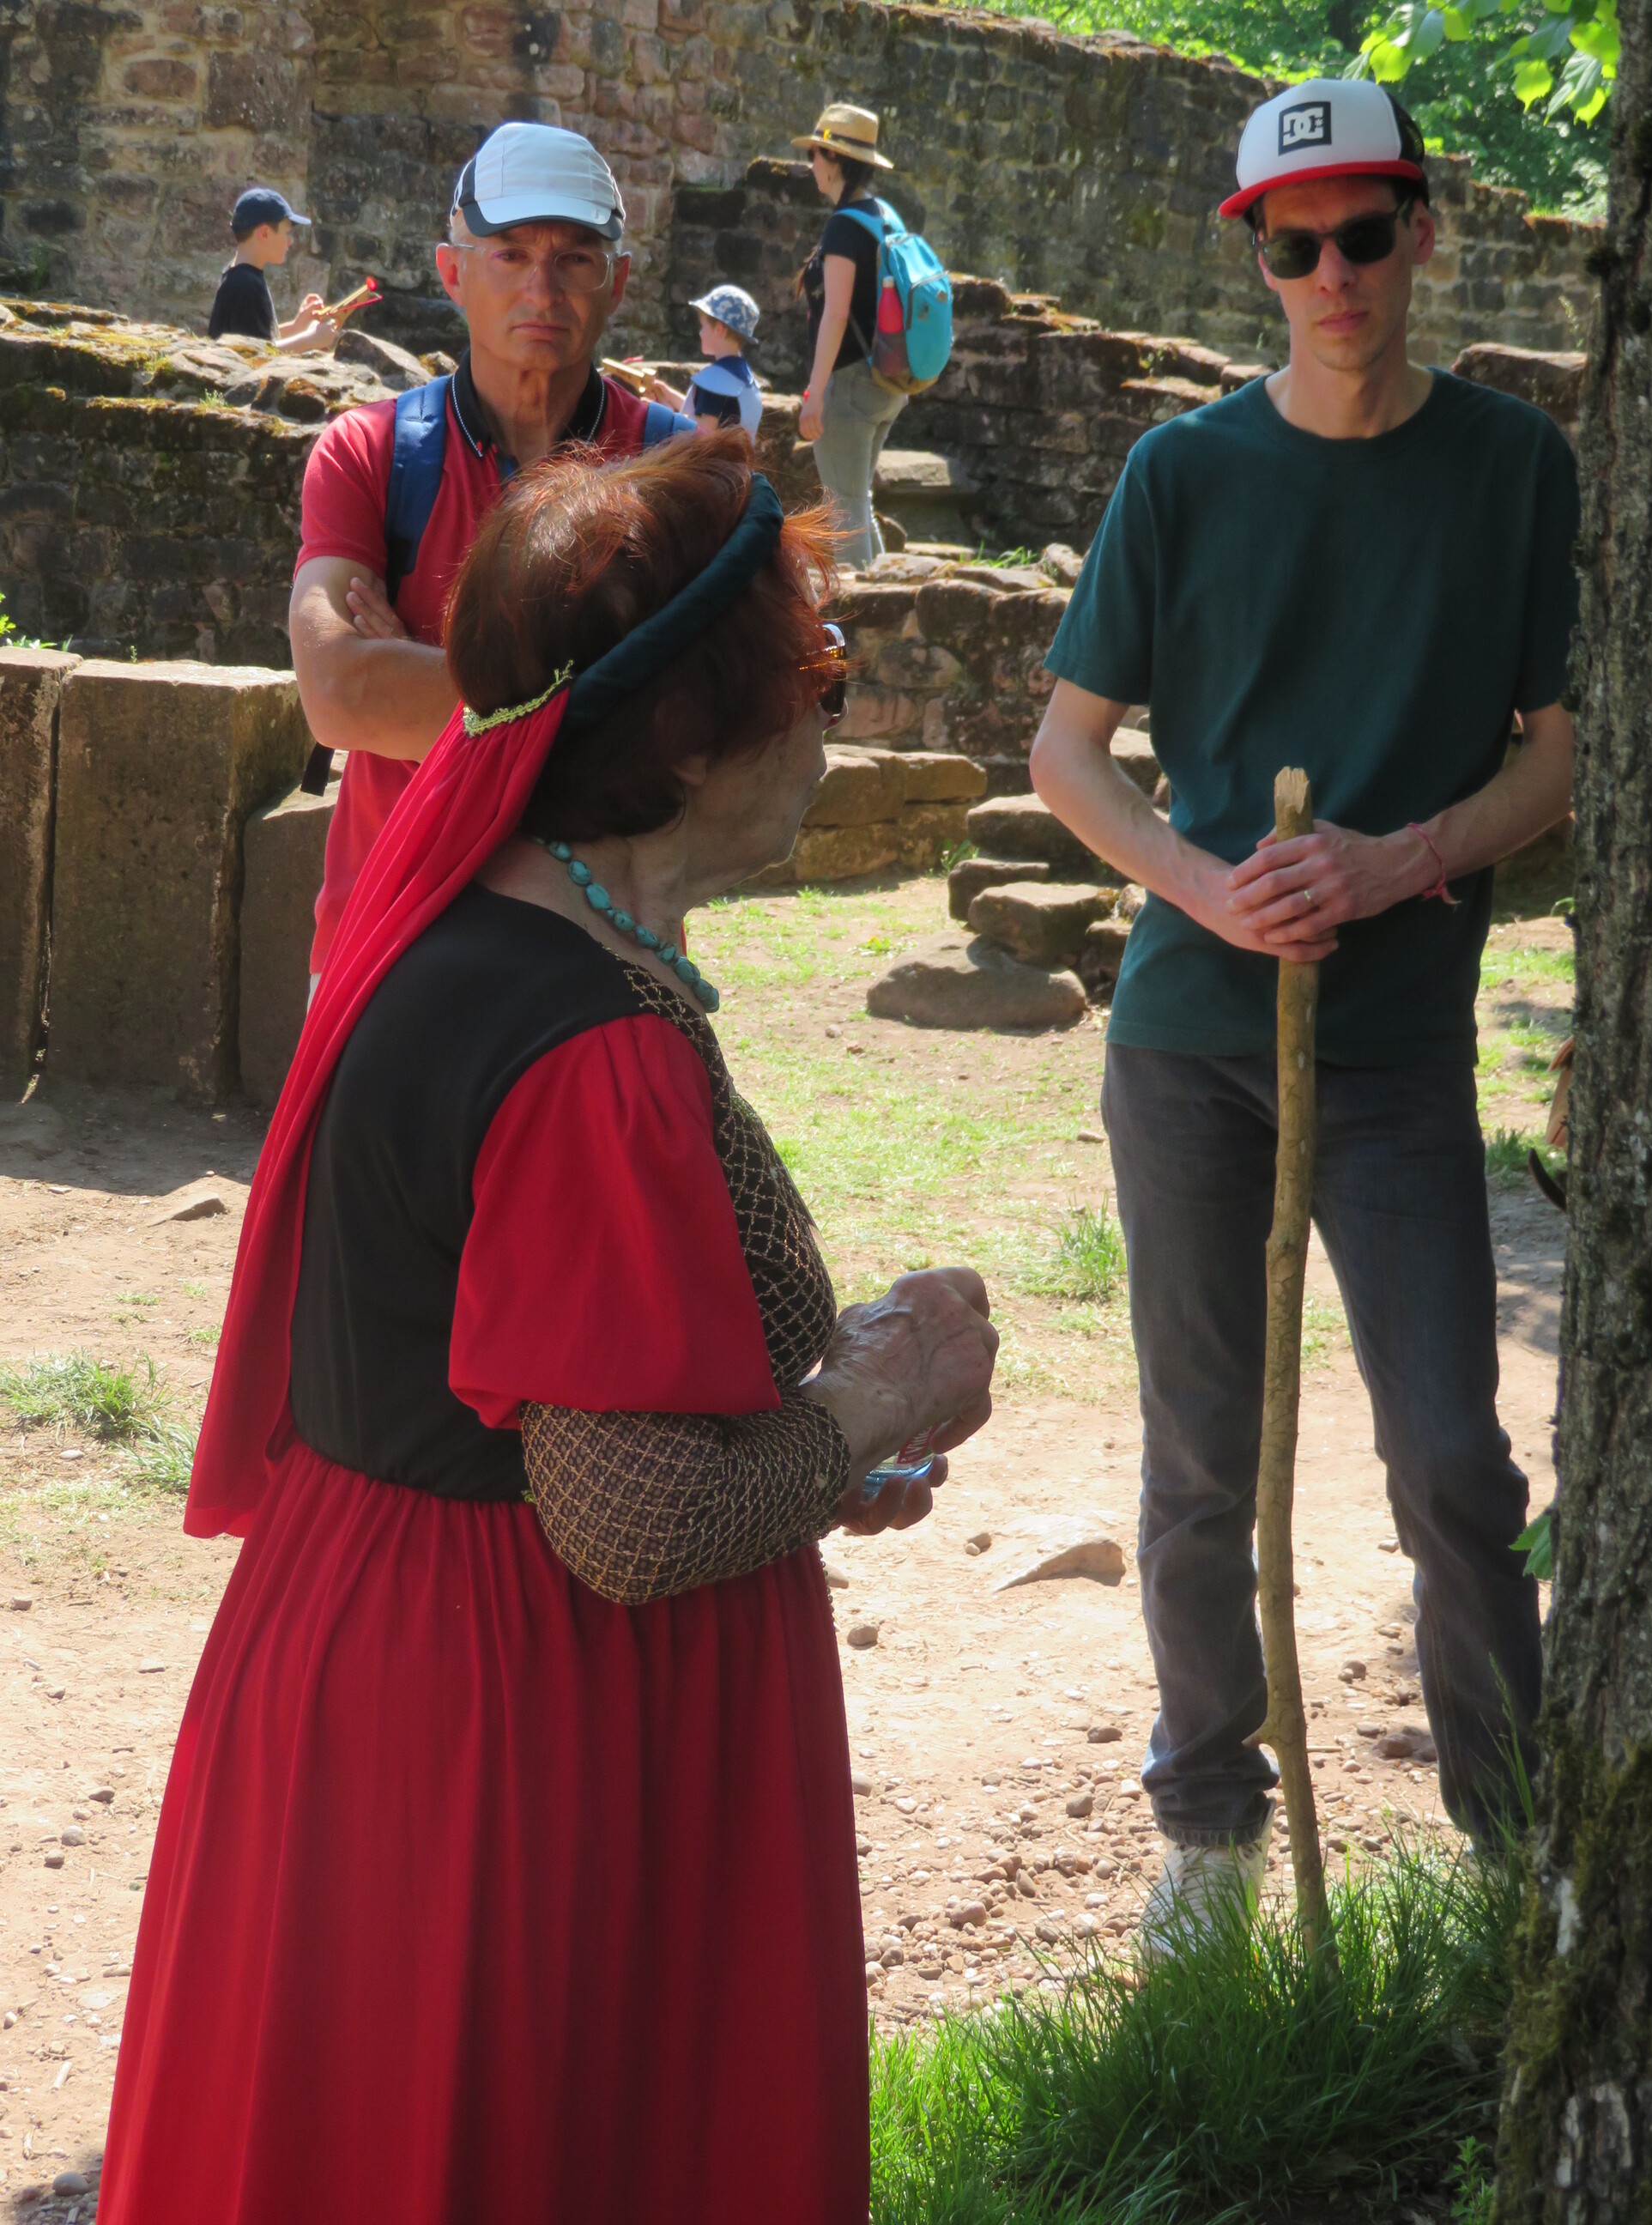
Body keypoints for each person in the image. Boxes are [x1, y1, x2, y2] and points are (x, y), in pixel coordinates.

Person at [97, 434, 1001, 2224]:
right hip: (503, 1731)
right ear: (687, 738)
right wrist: (872, 1401)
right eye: (817, 678)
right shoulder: (586, 1051)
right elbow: (630, 1520)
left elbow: (570, 1380)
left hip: (375, 1661)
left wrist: (797, 1437)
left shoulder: (472, 935)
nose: (834, 722)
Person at [1030, 80, 1578, 1946]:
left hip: (1398, 1048)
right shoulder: (1180, 472)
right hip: (1188, 1036)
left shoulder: (1512, 465)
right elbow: (1066, 752)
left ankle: (1511, 1850)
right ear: (1253, 261)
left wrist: (1404, 856)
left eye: (1361, 234)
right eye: (1293, 246)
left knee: (1450, 1460)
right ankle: (1208, 1832)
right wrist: (1208, 887)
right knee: (1200, 1457)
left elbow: (1556, 757)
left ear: (1420, 232)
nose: (1330, 274)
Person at [289, 121, 694, 982]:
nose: (542, 288)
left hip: (604, 959)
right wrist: (602, 695)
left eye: (575, 259)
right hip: (391, 942)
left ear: (618, 281)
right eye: (510, 254)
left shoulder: (676, 472)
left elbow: (700, 728)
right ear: (453, 272)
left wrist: (417, 675)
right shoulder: (371, 455)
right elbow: (336, 695)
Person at [793, 103, 908, 567]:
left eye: (815, 154)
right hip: (888, 381)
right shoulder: (885, 215)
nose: (810, 166)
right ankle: (889, 592)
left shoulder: (844, 226)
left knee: (843, 511)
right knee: (857, 501)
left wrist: (815, 392)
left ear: (835, 160)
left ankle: (859, 609)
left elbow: (836, 315)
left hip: (850, 386)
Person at [208, 188, 340, 353]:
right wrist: (311, 340)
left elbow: (256, 339)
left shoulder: (239, 275)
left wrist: (296, 326)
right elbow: (255, 355)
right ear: (264, 234)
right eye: (287, 233)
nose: (290, 242)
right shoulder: (245, 286)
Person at [648, 284, 765, 437]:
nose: (700, 332)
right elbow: (708, 412)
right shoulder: (746, 381)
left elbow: (701, 433)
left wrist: (661, 411)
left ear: (719, 330)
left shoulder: (714, 381)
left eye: (703, 326)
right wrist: (668, 394)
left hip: (713, 454)